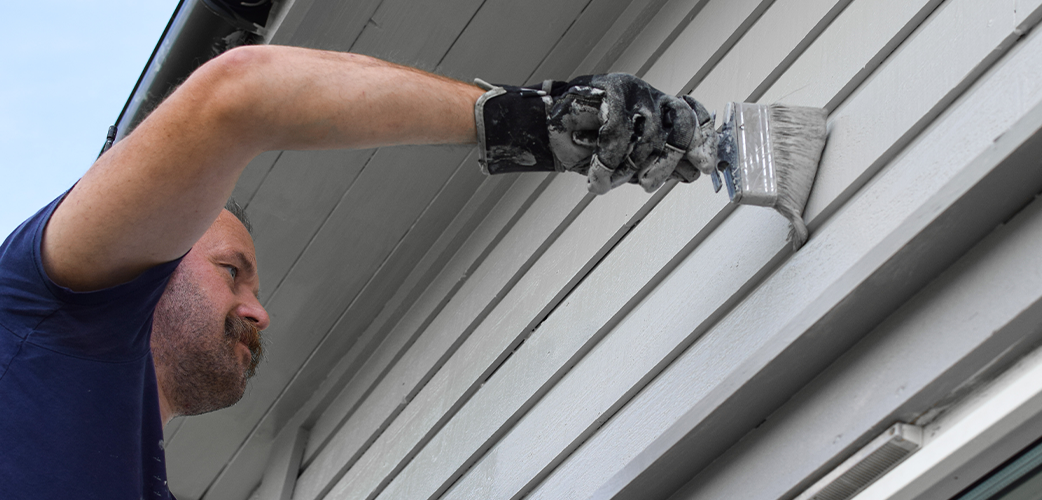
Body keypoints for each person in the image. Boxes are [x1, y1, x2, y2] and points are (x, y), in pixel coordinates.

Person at [0, 45, 715, 498]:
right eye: (232, 271)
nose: (259, 311)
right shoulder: (41, 314)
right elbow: (239, 94)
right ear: (151, 264)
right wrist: (538, 123)